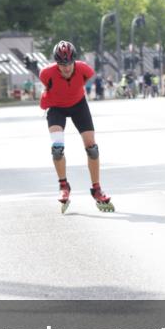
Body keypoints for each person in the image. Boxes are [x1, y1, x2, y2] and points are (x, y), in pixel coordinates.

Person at [39, 41, 114, 213]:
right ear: (56, 63)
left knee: (92, 148)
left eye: (69, 64)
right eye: (61, 64)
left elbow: (84, 81)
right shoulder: (47, 73)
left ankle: (96, 189)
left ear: (75, 61)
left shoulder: (84, 70)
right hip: (56, 107)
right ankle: (64, 185)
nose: (65, 68)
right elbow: (47, 84)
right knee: (57, 149)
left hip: (79, 105)